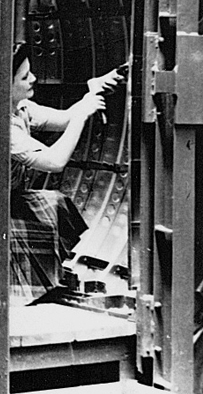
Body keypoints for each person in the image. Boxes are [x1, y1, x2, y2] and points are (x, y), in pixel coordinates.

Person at [9, 42, 123, 300]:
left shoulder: (21, 109)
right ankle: (29, 288)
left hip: (8, 201)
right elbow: (55, 161)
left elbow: (64, 119)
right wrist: (83, 116)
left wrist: (92, 91)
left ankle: (45, 280)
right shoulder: (4, 127)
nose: (33, 79)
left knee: (55, 204)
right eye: (25, 77)